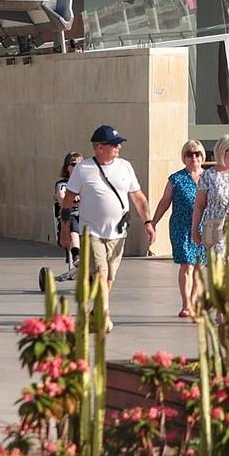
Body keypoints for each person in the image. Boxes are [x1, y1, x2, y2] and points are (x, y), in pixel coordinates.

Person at [60, 124, 151, 326]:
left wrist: (148, 222)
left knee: (109, 277)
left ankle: (95, 312)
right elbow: (68, 200)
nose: (119, 148)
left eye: (119, 144)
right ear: (100, 147)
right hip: (90, 230)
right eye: (114, 144)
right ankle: (105, 315)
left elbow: (138, 197)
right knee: (101, 273)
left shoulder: (125, 166)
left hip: (118, 232)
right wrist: (65, 229)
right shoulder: (83, 169)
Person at [146, 140, 208, 319]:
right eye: (190, 154)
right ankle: (186, 303)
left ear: (202, 156)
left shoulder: (209, 177)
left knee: (198, 266)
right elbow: (165, 202)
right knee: (186, 264)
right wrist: (153, 222)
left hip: (204, 226)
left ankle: (194, 300)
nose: (194, 157)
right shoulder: (176, 178)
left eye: (197, 154)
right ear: (184, 158)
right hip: (181, 226)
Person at [52, 152, 82, 280]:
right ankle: (76, 255)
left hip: (85, 217)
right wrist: (75, 199)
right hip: (68, 218)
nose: (77, 167)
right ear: (67, 168)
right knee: (73, 221)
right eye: (73, 164)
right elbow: (62, 199)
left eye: (80, 164)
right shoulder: (62, 184)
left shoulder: (87, 183)